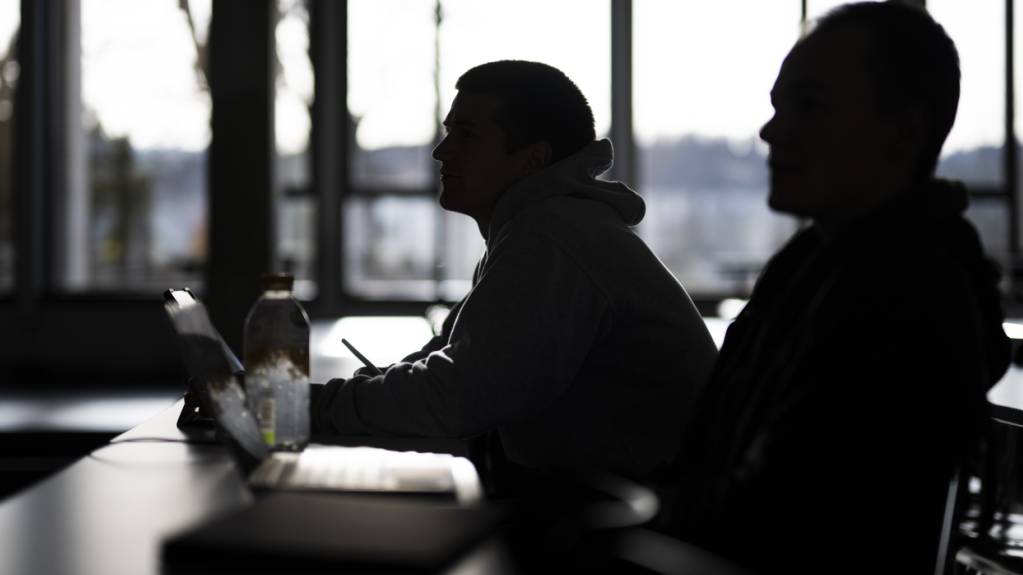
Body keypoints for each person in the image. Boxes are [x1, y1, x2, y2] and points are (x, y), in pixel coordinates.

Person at [660, 4, 1010, 574]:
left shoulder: (900, 297)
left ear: (903, 132)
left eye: (810, 107)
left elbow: (779, 521)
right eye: (778, 106)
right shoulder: (819, 265)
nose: (771, 131)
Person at [310, 61, 717, 482]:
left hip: (634, 518)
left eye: (465, 135)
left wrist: (316, 406)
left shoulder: (552, 237)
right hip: (615, 501)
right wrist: (362, 394)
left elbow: (457, 396)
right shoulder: (543, 226)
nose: (442, 151)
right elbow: (449, 356)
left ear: (532, 160)